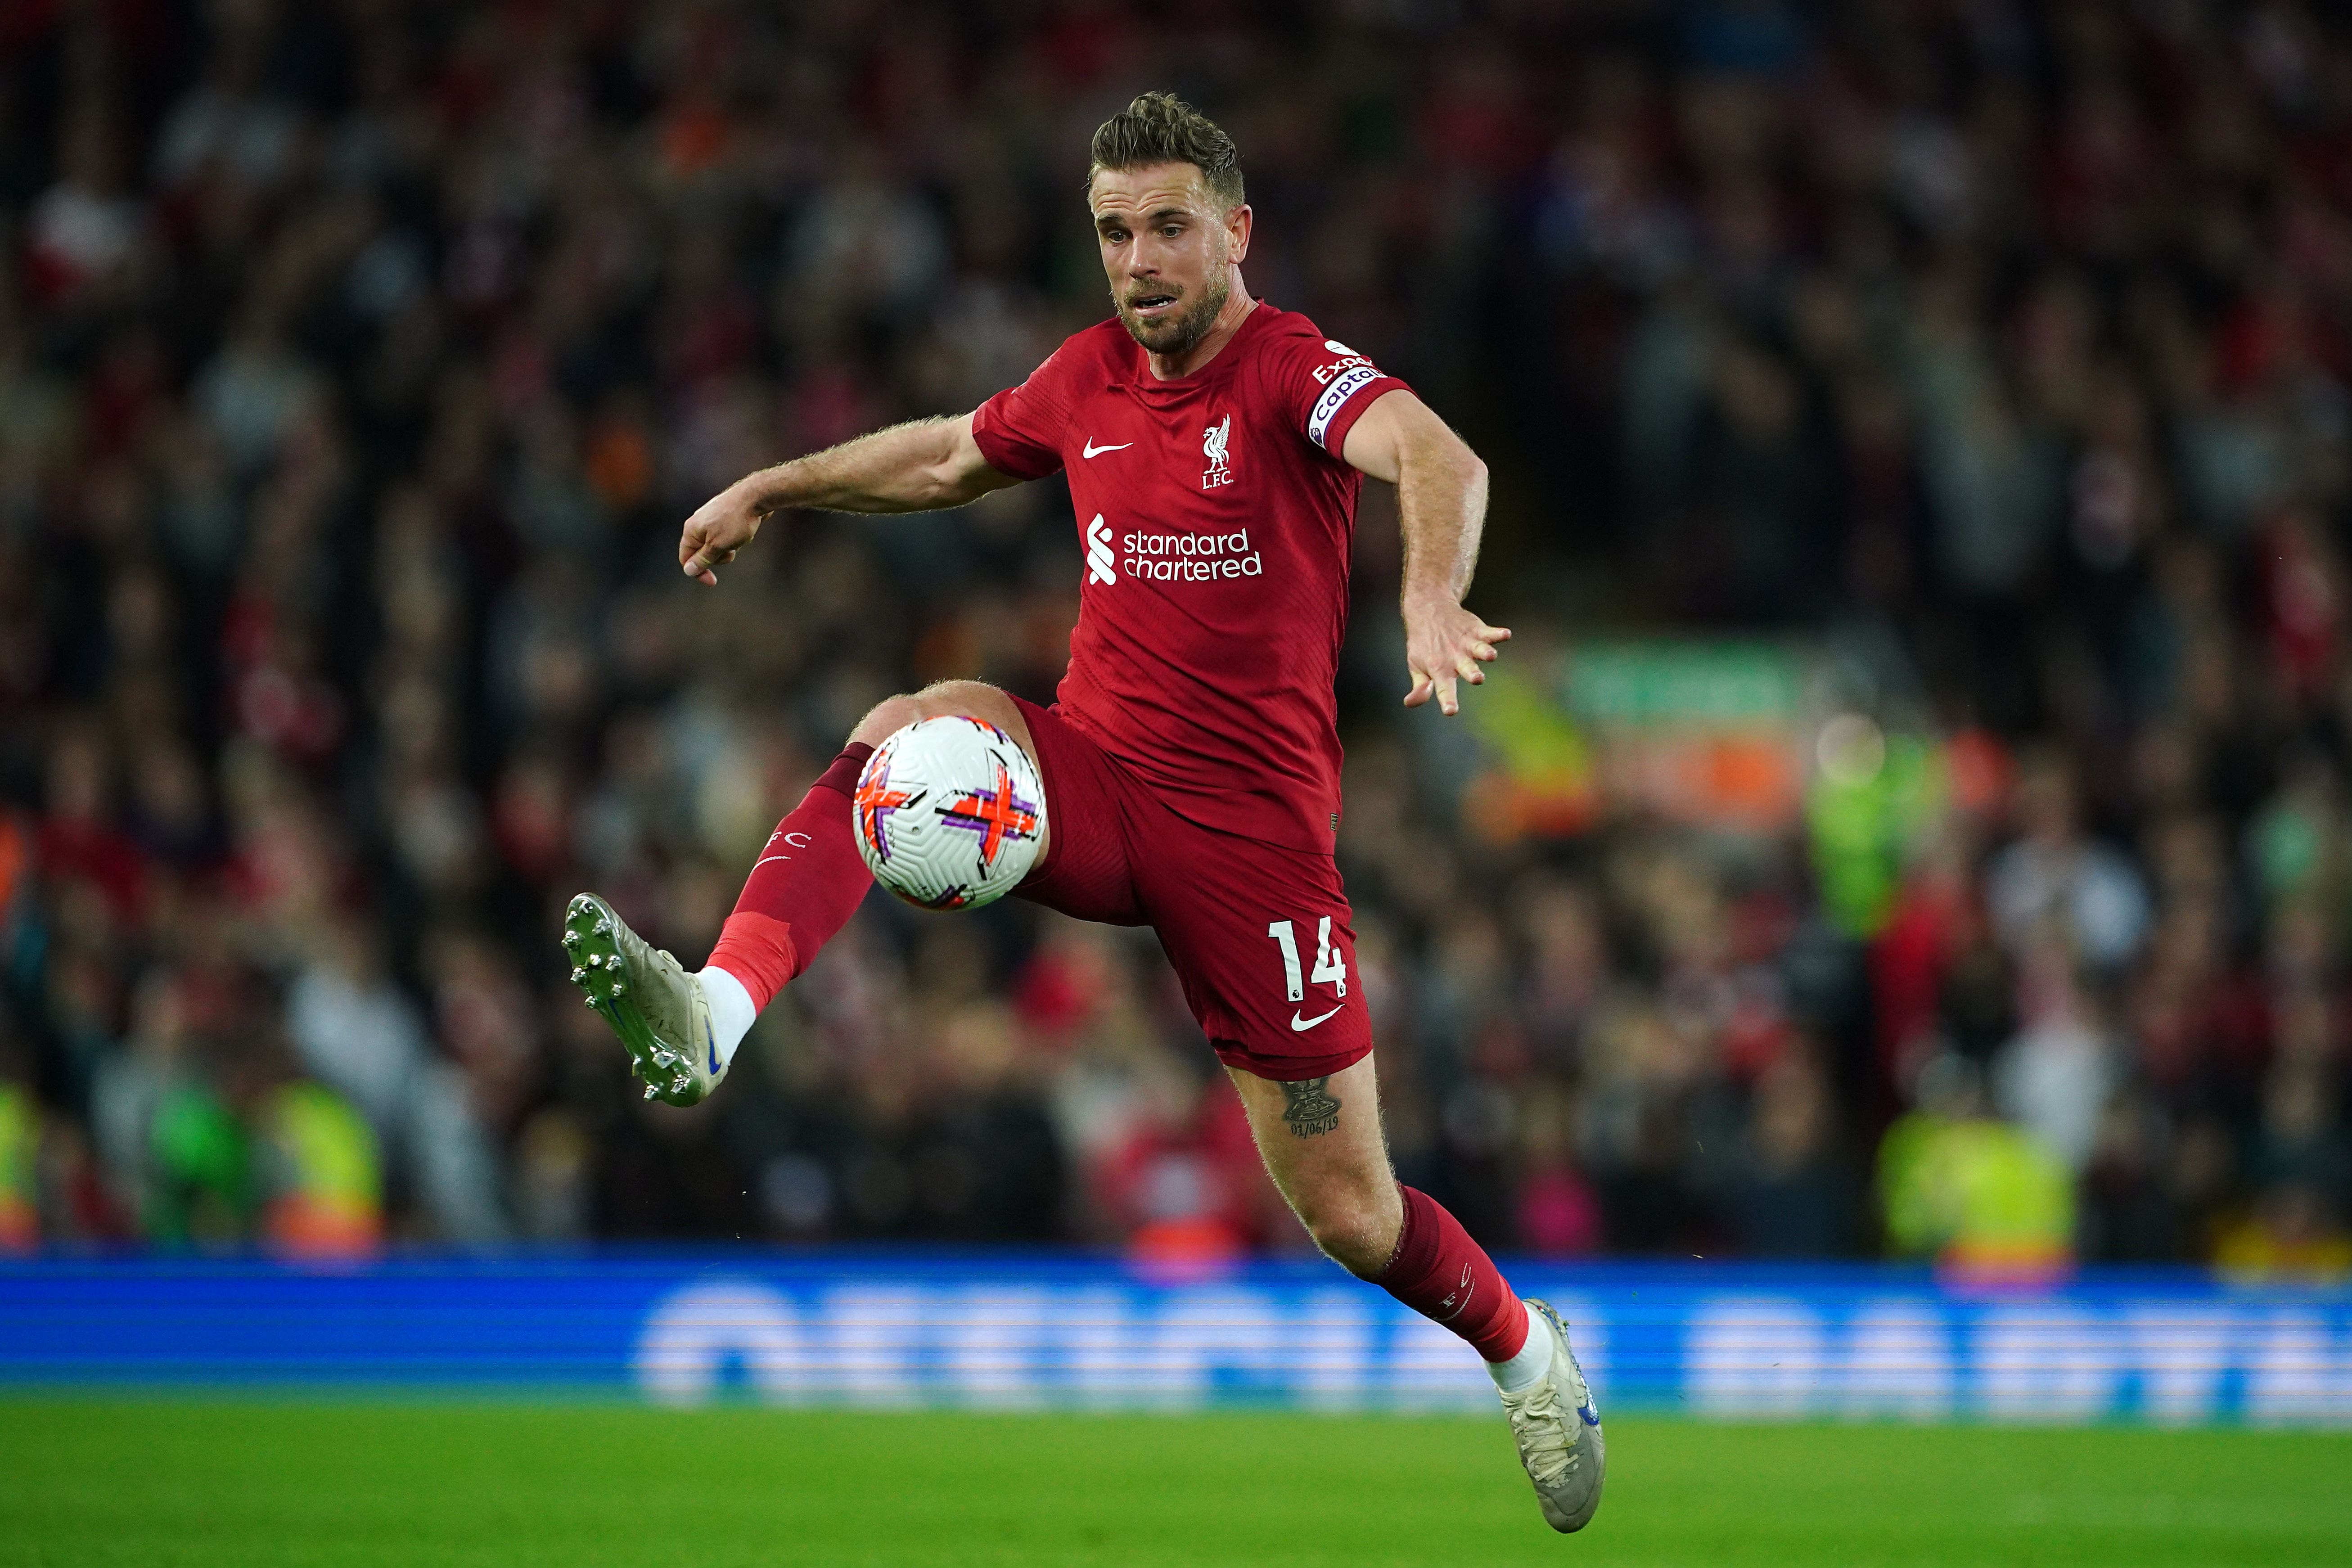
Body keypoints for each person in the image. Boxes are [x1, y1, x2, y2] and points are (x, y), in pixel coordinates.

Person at [562, 92, 1603, 1532]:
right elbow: (941, 454)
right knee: (899, 733)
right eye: (1114, 232)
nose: (1138, 261)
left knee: (1351, 1214)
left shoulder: (1291, 370)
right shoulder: (1089, 376)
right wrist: (774, 486)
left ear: (1235, 233)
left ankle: (1525, 1350)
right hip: (1093, 782)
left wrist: (1429, 593)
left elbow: (1442, 457)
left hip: (1253, 848)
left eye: (1168, 227)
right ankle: (713, 1016)